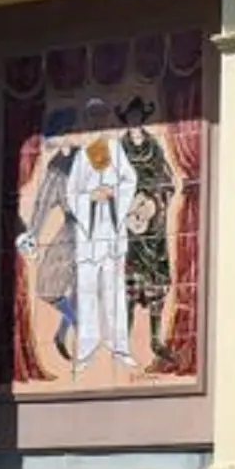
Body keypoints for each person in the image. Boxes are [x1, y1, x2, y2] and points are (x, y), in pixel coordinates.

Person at [67, 98, 139, 368]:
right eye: (92, 116)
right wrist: (90, 197)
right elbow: (72, 192)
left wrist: (113, 193)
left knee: (113, 288)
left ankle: (119, 346)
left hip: (110, 229)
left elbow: (130, 180)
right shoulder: (82, 154)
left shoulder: (115, 149)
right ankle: (86, 347)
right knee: (87, 290)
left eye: (101, 115)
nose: (97, 121)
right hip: (88, 234)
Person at [17, 109, 84, 362]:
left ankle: (65, 332)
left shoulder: (88, 157)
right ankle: (72, 323)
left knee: (82, 285)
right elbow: (43, 203)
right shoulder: (55, 167)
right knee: (48, 283)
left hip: (95, 228)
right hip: (71, 229)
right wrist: (32, 234)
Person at [117, 95, 175, 361]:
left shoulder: (153, 143)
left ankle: (154, 339)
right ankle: (124, 340)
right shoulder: (120, 147)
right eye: (131, 115)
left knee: (156, 278)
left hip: (154, 218)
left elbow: (167, 175)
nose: (135, 119)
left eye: (138, 115)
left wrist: (157, 194)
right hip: (131, 220)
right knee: (131, 277)